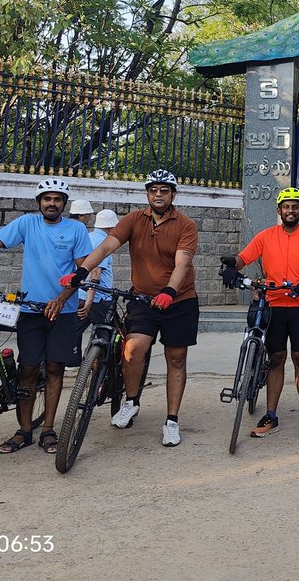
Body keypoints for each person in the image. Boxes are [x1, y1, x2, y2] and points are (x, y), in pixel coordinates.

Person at [0, 178, 90, 456]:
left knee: (54, 369)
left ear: (64, 203)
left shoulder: (76, 229)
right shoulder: (27, 224)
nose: (52, 203)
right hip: (30, 310)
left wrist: (61, 299)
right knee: (27, 369)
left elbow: (82, 271)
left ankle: (48, 429)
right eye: (47, 199)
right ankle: (24, 430)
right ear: (39, 203)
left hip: (64, 311)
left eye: (57, 199)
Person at [70, 170, 199, 448]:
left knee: (176, 359)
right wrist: (82, 271)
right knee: (131, 349)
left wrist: (169, 291)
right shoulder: (133, 220)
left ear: (173, 194)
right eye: (153, 190)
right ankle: (131, 402)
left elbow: (182, 264)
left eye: (165, 190)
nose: (159, 194)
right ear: (147, 194)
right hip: (142, 299)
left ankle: (172, 420)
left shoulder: (186, 225)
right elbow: (106, 247)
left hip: (180, 300)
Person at [222, 188, 299, 439]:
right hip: (274, 305)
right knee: (277, 358)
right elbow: (244, 257)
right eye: (286, 207)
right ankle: (271, 415)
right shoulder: (266, 236)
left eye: (295, 207)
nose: (290, 211)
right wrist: (231, 266)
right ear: (279, 210)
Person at [70, 200, 117, 334]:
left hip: (80, 295)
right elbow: (95, 272)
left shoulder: (88, 236)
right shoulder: (104, 243)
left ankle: (74, 355)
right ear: (109, 228)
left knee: (74, 333)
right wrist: (90, 301)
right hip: (97, 299)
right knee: (105, 334)